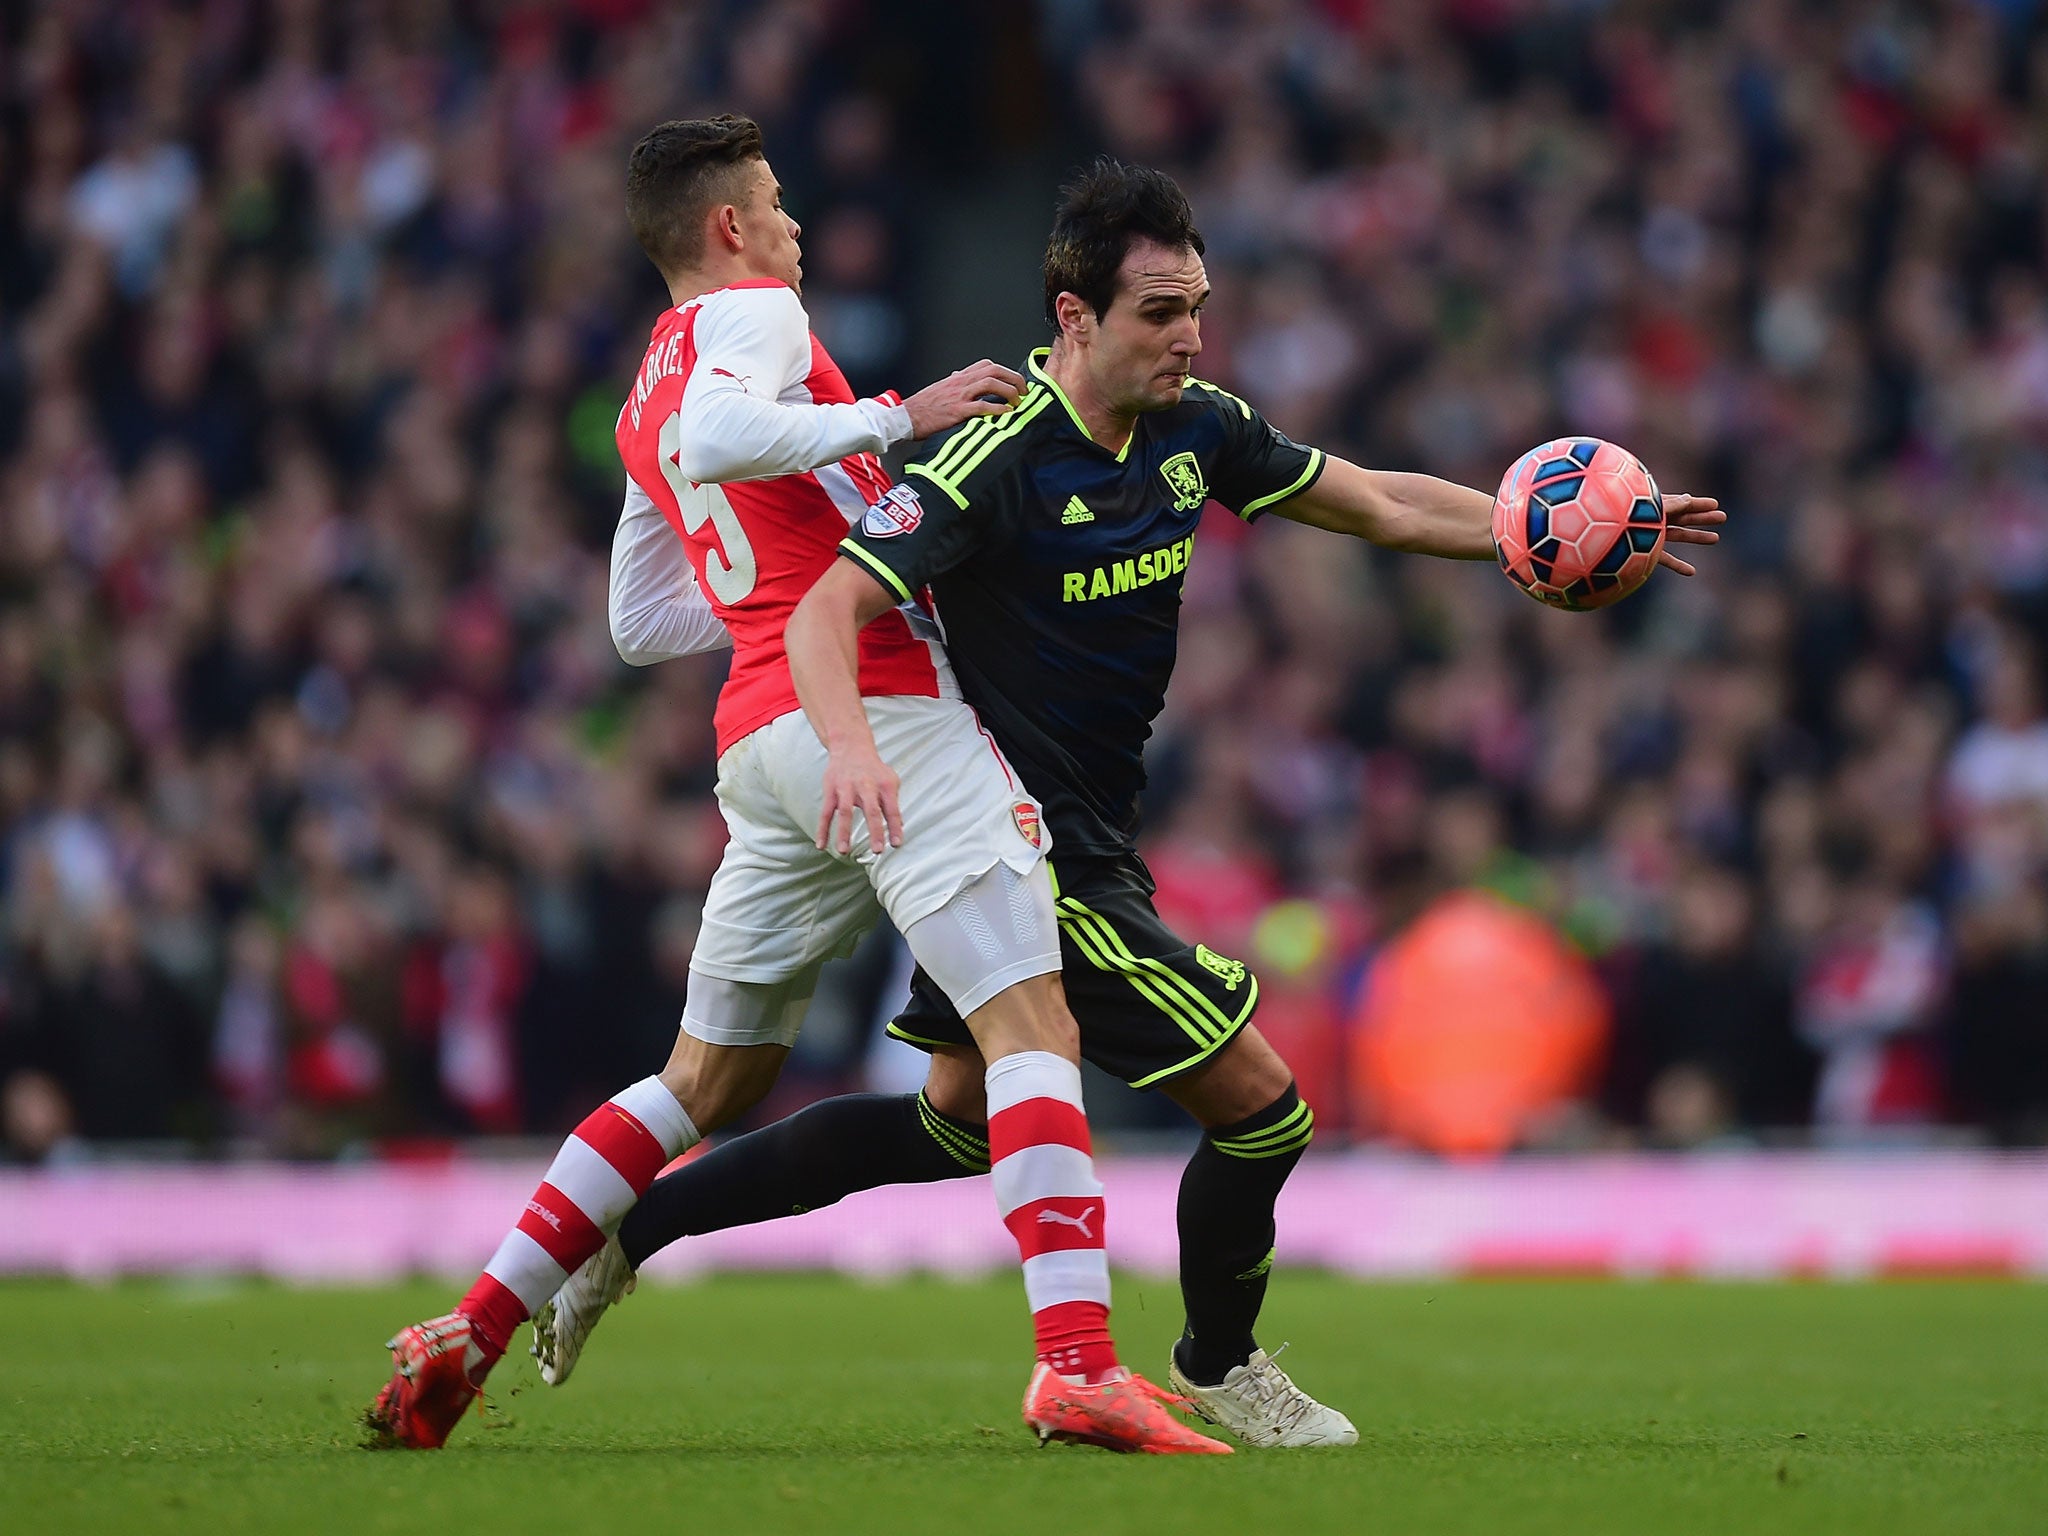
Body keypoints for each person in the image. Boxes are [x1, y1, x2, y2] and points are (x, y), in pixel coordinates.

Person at [530, 157, 1727, 1447]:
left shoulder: (1197, 427)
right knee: (1266, 1105)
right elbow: (834, 605)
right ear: (1073, 316)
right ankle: (1220, 1362)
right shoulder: (989, 458)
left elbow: (1374, 499)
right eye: (1159, 312)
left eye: (1196, 306)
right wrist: (850, 750)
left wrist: (1532, 526)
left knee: (955, 1129)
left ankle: (630, 1230)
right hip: (1017, 842)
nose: (1188, 336)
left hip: (1097, 828)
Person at [365, 119, 1226, 1457]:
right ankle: (1078, 1364)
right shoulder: (755, 317)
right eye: (774, 204)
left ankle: (470, 1327)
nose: (794, 226)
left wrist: (779, 589)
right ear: (727, 229)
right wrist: (900, 416)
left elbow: (645, 617)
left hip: (759, 732)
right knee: (1031, 1022)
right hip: (866, 702)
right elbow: (725, 441)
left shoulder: (640, 387)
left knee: (704, 1077)